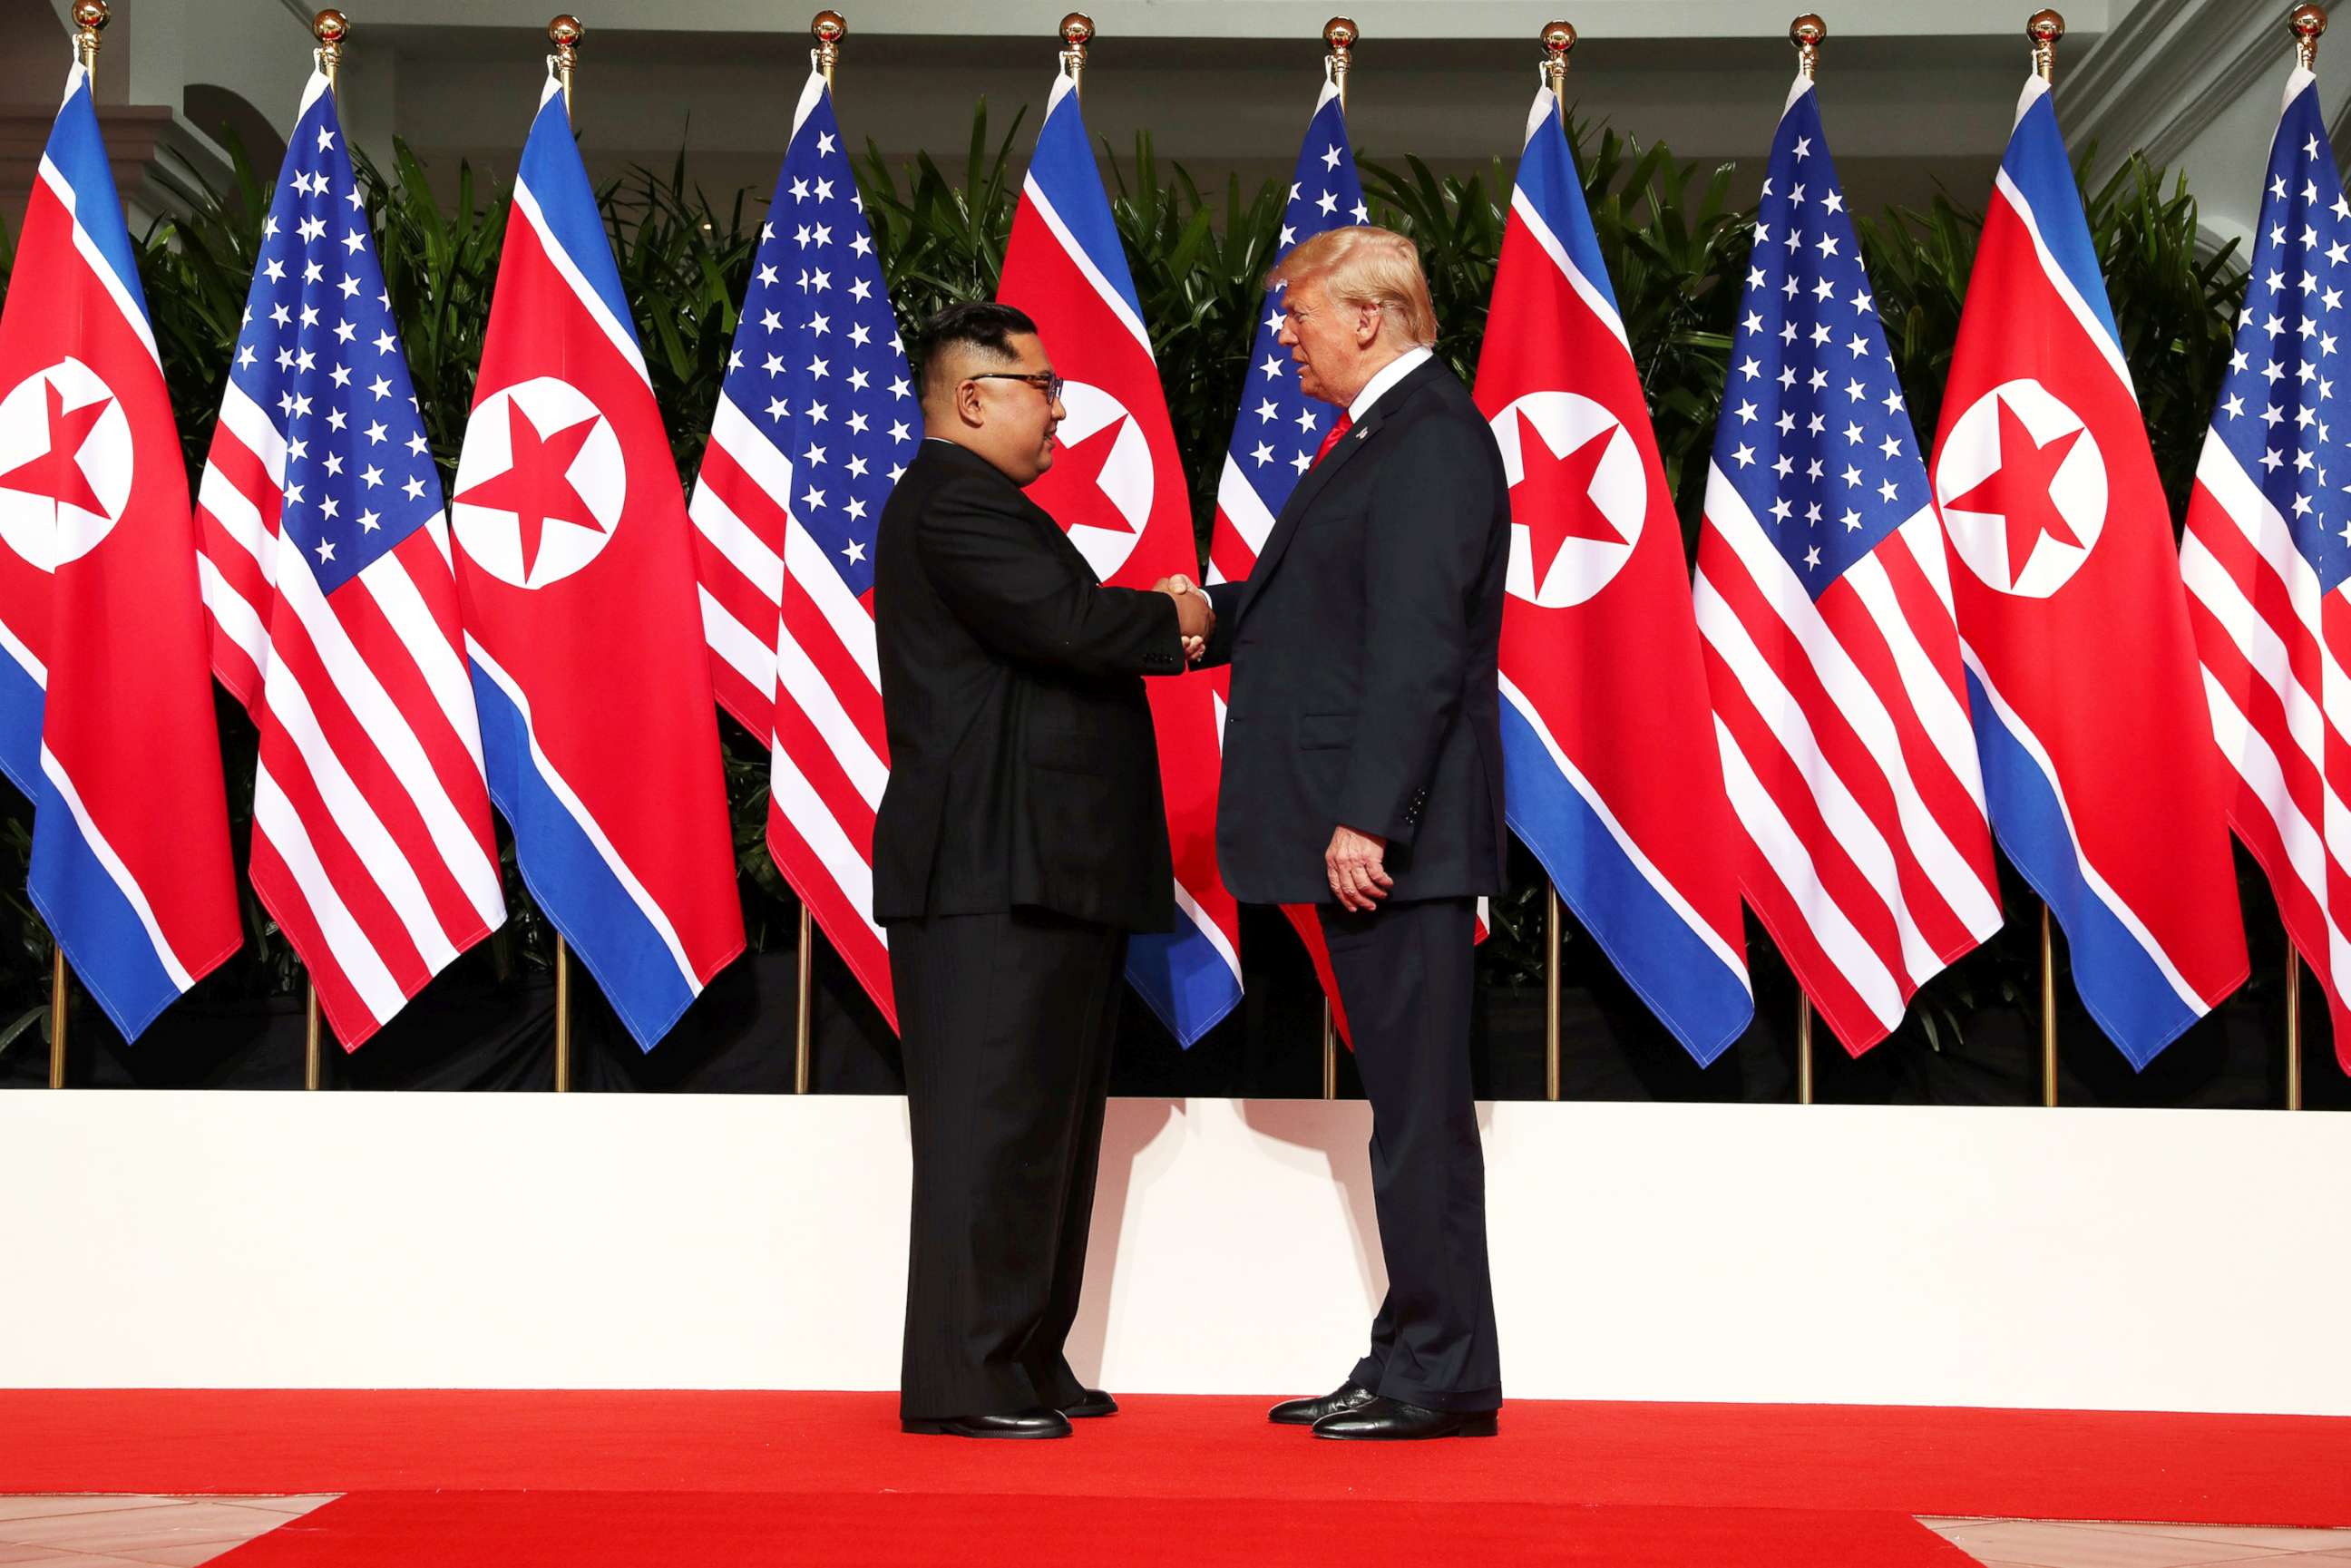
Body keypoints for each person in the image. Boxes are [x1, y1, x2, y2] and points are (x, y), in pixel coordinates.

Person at [870, 301, 1210, 1440]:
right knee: (991, 1129)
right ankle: (966, 1378)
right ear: (973, 397)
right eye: (1042, 384)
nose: (1060, 404)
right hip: (986, 871)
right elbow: (1066, 623)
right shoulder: (951, 500)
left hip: (1043, 869)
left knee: (1048, 1130)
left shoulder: (986, 505)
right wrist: (1181, 616)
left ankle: (1023, 1354)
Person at [1197, 228, 1510, 1440]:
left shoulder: (1428, 438)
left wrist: (1367, 817)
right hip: (1380, 836)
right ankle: (1415, 1356)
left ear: (1369, 319)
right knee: (1405, 1115)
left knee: (1418, 1118)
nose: (1288, 340)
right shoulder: (1385, 436)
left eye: (1300, 319)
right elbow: (1312, 619)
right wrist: (1184, 619)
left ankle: (1439, 1373)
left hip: (1397, 845)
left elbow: (1420, 650)